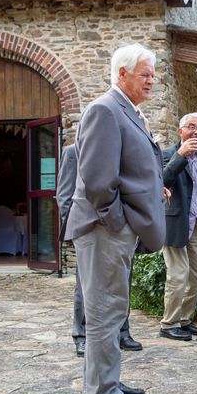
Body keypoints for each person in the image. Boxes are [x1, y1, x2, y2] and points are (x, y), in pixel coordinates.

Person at [63, 43, 166, 394]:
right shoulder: (105, 110)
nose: (152, 81)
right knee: (106, 310)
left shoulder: (128, 111)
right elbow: (96, 181)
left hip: (113, 229)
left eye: (153, 75)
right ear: (122, 74)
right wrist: (119, 221)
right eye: (145, 74)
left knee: (112, 309)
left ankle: (108, 380)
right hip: (104, 229)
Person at [57, 144, 144, 357]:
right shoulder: (72, 152)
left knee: (123, 282)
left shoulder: (119, 151)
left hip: (119, 230)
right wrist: (75, 231)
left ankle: (122, 331)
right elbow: (65, 196)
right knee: (85, 287)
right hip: (88, 231)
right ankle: (82, 335)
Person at [159, 112, 197, 341]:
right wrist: (180, 155)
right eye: (191, 127)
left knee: (195, 277)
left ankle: (185, 319)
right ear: (181, 131)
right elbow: (160, 181)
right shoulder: (166, 155)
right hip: (176, 223)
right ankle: (168, 324)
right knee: (178, 276)